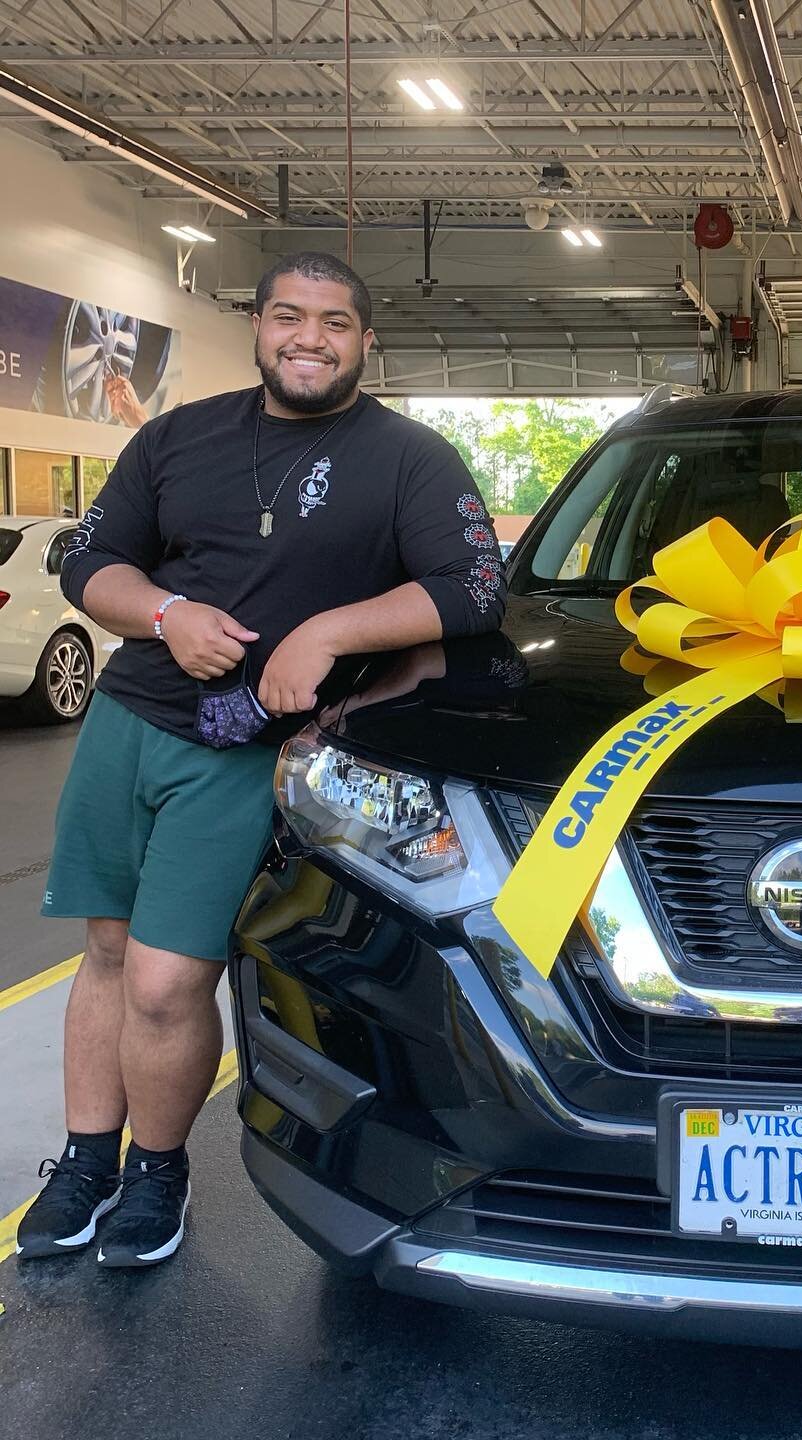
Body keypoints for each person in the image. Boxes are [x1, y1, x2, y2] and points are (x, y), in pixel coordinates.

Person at [18, 251, 506, 1268]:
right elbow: (91, 565)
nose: (309, 338)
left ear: (367, 342)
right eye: (290, 316)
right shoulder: (176, 438)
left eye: (335, 322)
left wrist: (327, 634)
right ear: (258, 326)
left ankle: (158, 1172)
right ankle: (85, 1160)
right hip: (128, 722)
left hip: (246, 752)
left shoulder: (410, 459)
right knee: (106, 951)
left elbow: (471, 587)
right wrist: (166, 612)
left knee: (164, 980)